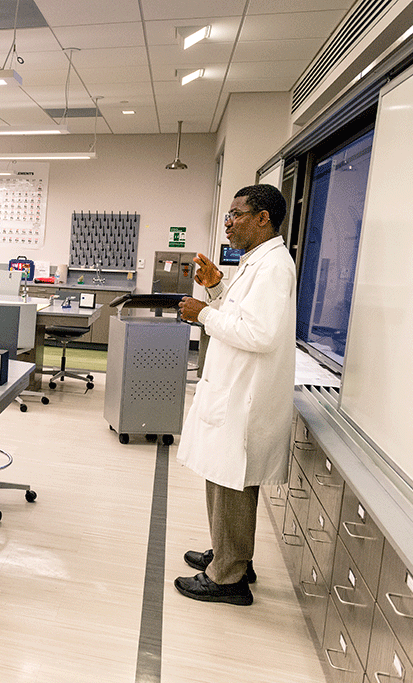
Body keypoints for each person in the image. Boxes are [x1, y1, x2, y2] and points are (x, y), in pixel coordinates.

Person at [174, 184, 296, 606]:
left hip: (244, 397)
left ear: (263, 218)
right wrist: (216, 289)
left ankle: (228, 576)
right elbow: (241, 313)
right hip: (233, 390)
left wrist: (203, 313)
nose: (228, 222)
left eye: (236, 214)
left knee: (231, 483)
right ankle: (231, 555)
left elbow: (259, 334)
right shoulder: (255, 262)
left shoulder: (274, 267)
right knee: (225, 479)